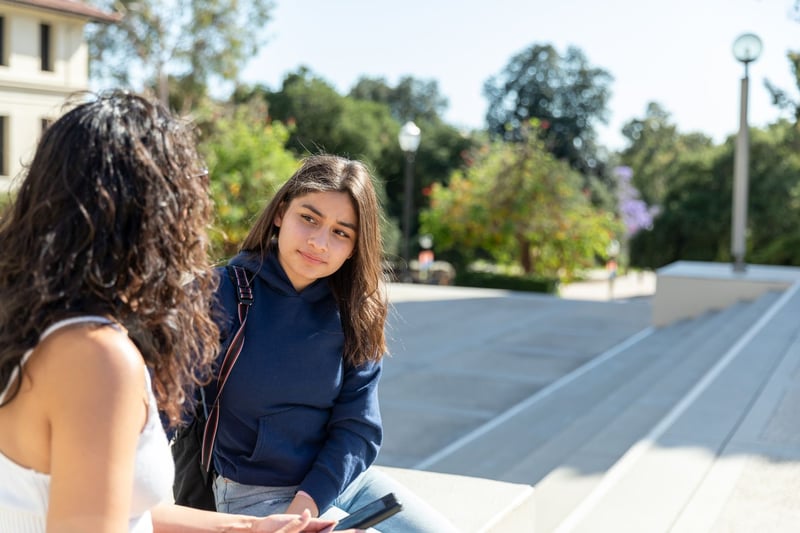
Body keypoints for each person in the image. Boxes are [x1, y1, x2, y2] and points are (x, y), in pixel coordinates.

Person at [0, 91, 357, 533]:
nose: (200, 208)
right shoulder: (95, 358)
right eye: (192, 184)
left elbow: (122, 512)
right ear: (149, 213)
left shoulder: (44, 326)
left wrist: (252, 529)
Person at [207, 154, 459, 532]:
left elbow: (359, 428)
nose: (319, 242)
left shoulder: (357, 310)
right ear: (280, 213)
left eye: (341, 232)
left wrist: (307, 504)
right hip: (253, 494)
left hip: (345, 485)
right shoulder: (222, 292)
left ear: (356, 246)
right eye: (309, 218)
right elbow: (167, 409)